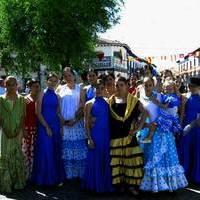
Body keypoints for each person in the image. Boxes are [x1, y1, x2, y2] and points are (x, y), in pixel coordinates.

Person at [140, 79, 188, 193]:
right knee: (153, 158)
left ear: (154, 85)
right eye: (145, 85)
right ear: (142, 86)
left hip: (163, 131)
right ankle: (155, 185)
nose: (148, 87)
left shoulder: (160, 96)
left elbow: (169, 108)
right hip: (150, 131)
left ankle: (169, 184)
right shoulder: (141, 97)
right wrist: (143, 125)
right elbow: (142, 115)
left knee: (168, 157)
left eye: (150, 85)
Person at [109, 76, 145, 195]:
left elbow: (144, 113)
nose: (119, 87)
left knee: (132, 162)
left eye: (121, 85)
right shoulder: (111, 101)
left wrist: (139, 128)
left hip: (129, 136)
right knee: (118, 162)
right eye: (117, 85)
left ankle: (132, 186)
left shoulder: (134, 100)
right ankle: (121, 185)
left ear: (127, 86)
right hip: (115, 136)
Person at [32, 73, 65, 186]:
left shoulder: (57, 96)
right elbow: (38, 112)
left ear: (57, 83)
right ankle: (44, 180)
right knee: (46, 151)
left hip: (55, 126)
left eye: (55, 81)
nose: (52, 83)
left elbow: (58, 113)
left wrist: (61, 127)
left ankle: (55, 179)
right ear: (46, 81)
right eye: (50, 80)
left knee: (55, 151)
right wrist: (46, 127)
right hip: (44, 125)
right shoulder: (42, 93)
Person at [82, 79, 113, 193]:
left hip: (106, 134)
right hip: (96, 134)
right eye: (97, 88)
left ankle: (104, 184)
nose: (99, 90)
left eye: (101, 88)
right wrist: (89, 138)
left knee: (105, 158)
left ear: (104, 89)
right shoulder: (89, 103)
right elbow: (86, 123)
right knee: (95, 158)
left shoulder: (107, 101)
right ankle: (94, 184)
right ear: (93, 89)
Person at [58, 67, 87, 179]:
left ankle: (79, 174)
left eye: (69, 75)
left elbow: (83, 107)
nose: (67, 78)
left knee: (78, 148)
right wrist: (62, 120)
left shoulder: (80, 89)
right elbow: (57, 107)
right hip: (64, 124)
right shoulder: (60, 89)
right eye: (65, 76)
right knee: (66, 150)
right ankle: (68, 174)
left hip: (76, 123)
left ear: (74, 76)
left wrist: (75, 120)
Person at [0, 76, 26, 193]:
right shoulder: (0, 99)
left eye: (14, 84)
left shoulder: (22, 99)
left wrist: (18, 130)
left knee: (17, 154)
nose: (11, 86)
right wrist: (5, 129)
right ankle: (6, 184)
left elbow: (22, 116)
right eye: (9, 84)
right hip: (4, 132)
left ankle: (18, 182)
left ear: (17, 85)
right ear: (5, 85)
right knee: (5, 154)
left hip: (18, 131)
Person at [178, 77, 200, 184]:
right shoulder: (186, 96)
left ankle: (196, 176)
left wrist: (190, 126)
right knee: (185, 150)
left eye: (193, 86)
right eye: (190, 86)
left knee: (196, 151)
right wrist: (180, 126)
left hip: (197, 129)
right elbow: (182, 113)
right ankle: (184, 175)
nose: (190, 87)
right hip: (186, 128)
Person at [22, 79, 40, 179]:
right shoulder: (25, 100)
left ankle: (35, 175)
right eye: (34, 87)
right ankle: (27, 175)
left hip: (38, 128)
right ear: (29, 88)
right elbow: (22, 116)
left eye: (38, 86)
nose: (37, 89)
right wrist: (23, 130)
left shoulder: (41, 98)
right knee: (27, 153)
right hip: (28, 129)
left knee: (36, 152)